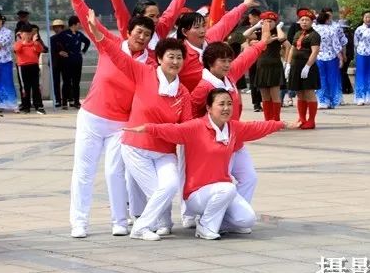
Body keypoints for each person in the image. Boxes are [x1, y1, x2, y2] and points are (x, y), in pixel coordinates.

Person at [122, 89, 288, 239]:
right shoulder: (196, 127)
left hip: (220, 192)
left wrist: (281, 124)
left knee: (247, 220)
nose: (226, 108)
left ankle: (213, 222)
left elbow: (256, 127)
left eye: (229, 104)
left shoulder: (233, 128)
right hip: (196, 195)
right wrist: (147, 128)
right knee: (228, 188)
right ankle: (205, 226)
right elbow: (171, 129)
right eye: (221, 104)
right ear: (209, 108)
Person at [65, 0, 156, 239]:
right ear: (129, 31)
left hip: (121, 124)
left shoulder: (151, 62)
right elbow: (88, 20)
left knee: (116, 172)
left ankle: (120, 221)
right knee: (84, 170)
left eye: (147, 35)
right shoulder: (110, 44)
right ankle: (79, 223)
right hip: (92, 117)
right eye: (138, 32)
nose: (141, 37)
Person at [89, 10, 192, 242]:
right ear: (159, 59)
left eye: (179, 58)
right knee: (159, 190)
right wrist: (98, 33)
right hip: (136, 149)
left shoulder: (183, 93)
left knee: (170, 185)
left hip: (164, 152)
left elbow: (184, 131)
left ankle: (149, 224)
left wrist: (158, 130)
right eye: (170, 57)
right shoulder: (144, 73)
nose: (175, 62)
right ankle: (149, 225)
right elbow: (118, 55)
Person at [189, 24, 271, 218]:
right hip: (214, 144)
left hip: (235, 138)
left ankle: (233, 216)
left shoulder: (230, 77)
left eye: (228, 60)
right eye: (222, 61)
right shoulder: (203, 87)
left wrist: (262, 43)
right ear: (210, 62)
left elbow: (246, 58)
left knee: (249, 177)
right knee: (219, 183)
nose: (227, 64)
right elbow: (191, 114)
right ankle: (207, 217)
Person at [176, 0, 257, 92]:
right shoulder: (180, 53)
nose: (202, 31)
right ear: (184, 32)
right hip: (192, 103)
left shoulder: (210, 38)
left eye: (203, 26)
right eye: (196, 27)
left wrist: (245, 5)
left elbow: (226, 22)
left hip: (217, 101)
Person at [286, 8, 321, 129]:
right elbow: (292, 48)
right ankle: (301, 118)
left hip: (307, 67)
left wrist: (308, 66)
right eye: (302, 20)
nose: (304, 22)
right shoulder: (297, 34)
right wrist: (288, 64)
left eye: (307, 20)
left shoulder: (314, 35)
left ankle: (311, 120)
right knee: (299, 93)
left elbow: (315, 51)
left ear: (311, 22)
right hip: (296, 66)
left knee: (309, 92)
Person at [251, 11, 290, 121]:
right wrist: (257, 26)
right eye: (266, 21)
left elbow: (286, 44)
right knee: (264, 96)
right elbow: (246, 35)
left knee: (275, 95)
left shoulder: (277, 33)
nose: (269, 23)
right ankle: (267, 120)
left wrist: (278, 28)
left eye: (271, 21)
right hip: (261, 67)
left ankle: (276, 120)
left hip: (274, 67)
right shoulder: (259, 34)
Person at [56, 16, 91, 109]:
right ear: (74, 24)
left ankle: (76, 101)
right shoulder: (64, 34)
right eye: (78, 23)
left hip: (78, 60)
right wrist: (59, 51)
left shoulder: (79, 34)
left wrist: (83, 51)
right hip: (67, 61)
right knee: (66, 82)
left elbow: (87, 42)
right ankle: (64, 102)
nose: (79, 25)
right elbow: (55, 42)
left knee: (76, 82)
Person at [313, 11, 345, 109]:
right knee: (332, 79)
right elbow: (336, 45)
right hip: (331, 57)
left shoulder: (314, 29)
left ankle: (322, 101)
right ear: (327, 20)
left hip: (318, 57)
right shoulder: (332, 30)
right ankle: (333, 101)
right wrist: (341, 58)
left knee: (320, 79)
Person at [15, 23, 46, 114]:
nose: (28, 36)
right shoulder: (18, 43)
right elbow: (17, 50)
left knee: (36, 86)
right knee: (25, 87)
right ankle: (26, 106)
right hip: (23, 66)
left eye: (29, 34)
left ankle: (39, 106)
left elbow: (39, 50)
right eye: (26, 34)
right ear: (21, 34)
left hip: (34, 66)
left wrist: (35, 41)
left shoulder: (34, 43)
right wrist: (23, 41)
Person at [49, 20, 67, 108]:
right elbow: (51, 52)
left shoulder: (67, 37)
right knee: (56, 82)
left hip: (65, 63)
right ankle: (58, 100)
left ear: (62, 27)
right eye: (55, 27)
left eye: (58, 27)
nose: (56, 29)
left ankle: (65, 100)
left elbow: (70, 49)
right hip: (55, 63)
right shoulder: (52, 39)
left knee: (66, 82)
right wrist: (58, 53)